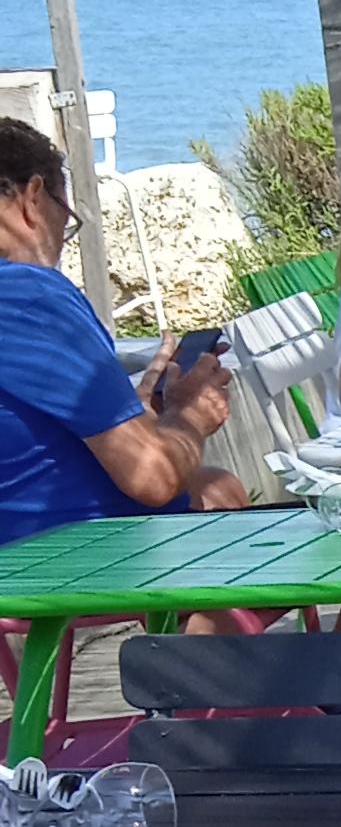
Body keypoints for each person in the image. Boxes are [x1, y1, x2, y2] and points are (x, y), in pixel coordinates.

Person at [0, 115, 246, 545]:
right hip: (62, 556)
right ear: (33, 197)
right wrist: (190, 414)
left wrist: (139, 415)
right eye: (65, 217)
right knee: (222, 490)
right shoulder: (28, 297)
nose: (61, 243)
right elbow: (153, 477)